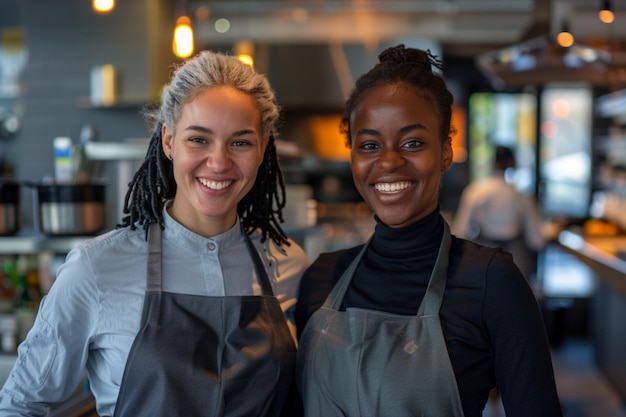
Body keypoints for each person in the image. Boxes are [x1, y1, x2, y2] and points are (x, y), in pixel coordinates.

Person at [0, 50, 309, 417]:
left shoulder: (289, 265)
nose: (219, 162)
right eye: (198, 139)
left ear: (262, 150)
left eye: (240, 142)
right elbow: (21, 406)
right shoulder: (96, 270)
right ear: (168, 141)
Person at [294, 44, 562, 417]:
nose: (388, 160)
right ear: (353, 157)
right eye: (369, 145)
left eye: (413, 143)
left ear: (446, 152)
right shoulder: (320, 278)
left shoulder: (492, 283)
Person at [452, 145, 546, 281]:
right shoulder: (522, 196)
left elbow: (460, 232)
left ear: (492, 162)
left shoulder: (475, 192)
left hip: (483, 258)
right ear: (511, 163)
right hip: (516, 260)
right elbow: (536, 240)